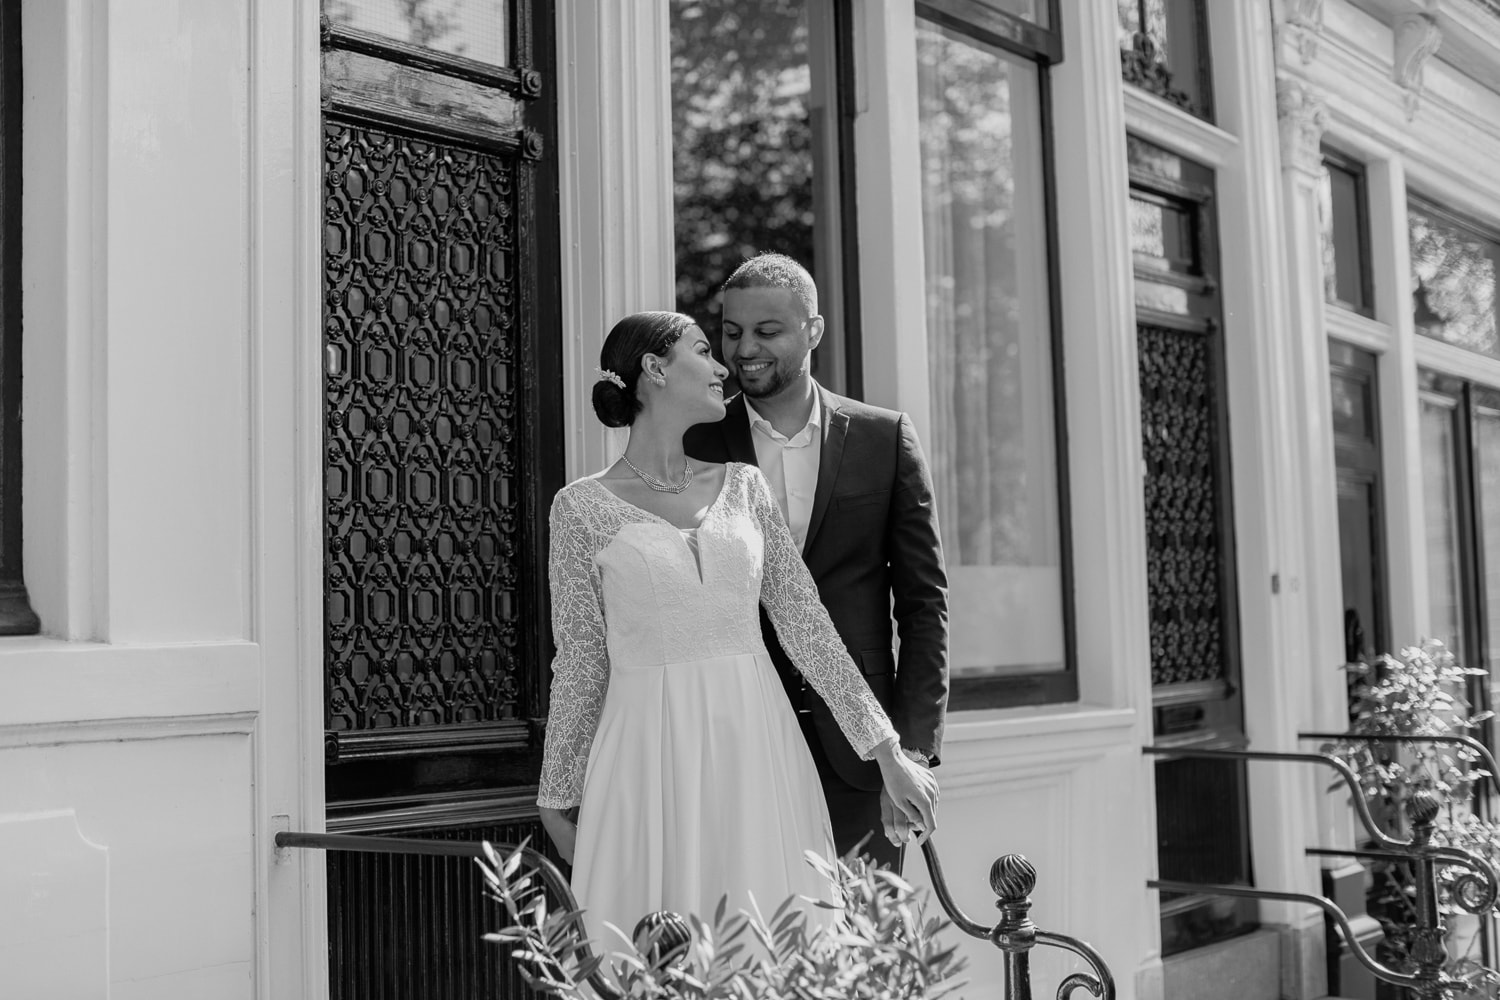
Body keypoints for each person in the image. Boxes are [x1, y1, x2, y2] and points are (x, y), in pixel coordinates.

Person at [535, 310, 938, 949]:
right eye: (704, 349)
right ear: (655, 368)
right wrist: (556, 794)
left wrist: (887, 750)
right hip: (648, 754)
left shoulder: (746, 488)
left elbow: (808, 627)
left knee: (771, 938)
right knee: (657, 949)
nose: (724, 365)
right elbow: (581, 661)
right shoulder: (580, 508)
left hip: (759, 744)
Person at [684, 253, 949, 871]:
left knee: (863, 950)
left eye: (767, 331)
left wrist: (909, 753)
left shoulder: (884, 439)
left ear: (814, 330)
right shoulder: (694, 440)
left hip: (862, 753)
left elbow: (923, 605)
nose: (744, 349)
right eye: (731, 332)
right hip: (733, 736)